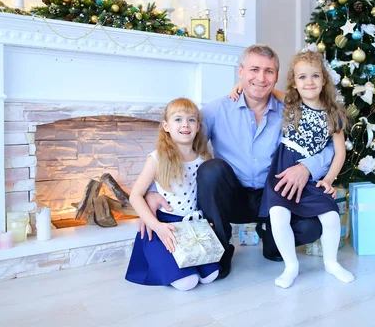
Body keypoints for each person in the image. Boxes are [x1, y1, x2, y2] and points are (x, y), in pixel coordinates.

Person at [141, 44, 333, 280]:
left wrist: (306, 167)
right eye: (254, 69)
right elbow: (175, 145)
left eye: (269, 71)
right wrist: (151, 191)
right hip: (230, 197)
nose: (261, 78)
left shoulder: (291, 111)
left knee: (311, 227)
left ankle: (271, 239)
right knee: (211, 170)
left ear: (277, 77)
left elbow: (329, 142)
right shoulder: (215, 111)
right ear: (240, 72)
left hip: (273, 196)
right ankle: (220, 250)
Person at [256, 50, 354, 288]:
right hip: (283, 168)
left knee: (330, 215)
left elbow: (340, 152)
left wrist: (329, 180)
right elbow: (264, 90)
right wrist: (237, 89)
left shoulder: (334, 114)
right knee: (279, 214)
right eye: (302, 77)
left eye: (314, 76)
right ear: (294, 82)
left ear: (324, 80)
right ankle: (291, 266)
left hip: (311, 175)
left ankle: (331, 263)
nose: (308, 82)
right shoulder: (291, 103)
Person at [125, 98, 220, 291]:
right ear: (166, 126)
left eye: (191, 120)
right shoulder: (157, 157)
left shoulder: (203, 159)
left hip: (191, 226)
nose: (185, 124)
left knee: (211, 276)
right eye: (178, 119)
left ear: (198, 126)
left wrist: (207, 221)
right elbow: (135, 195)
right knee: (188, 282)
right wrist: (156, 226)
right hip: (165, 227)